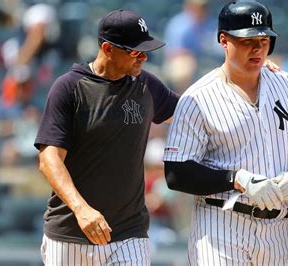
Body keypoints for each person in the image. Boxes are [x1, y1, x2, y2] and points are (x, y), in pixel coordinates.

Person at [163, 1, 288, 265]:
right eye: (247, 40)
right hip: (221, 225)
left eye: (264, 39)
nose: (258, 47)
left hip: (278, 229)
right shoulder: (198, 97)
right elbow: (177, 173)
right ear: (224, 40)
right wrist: (238, 179)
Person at [34, 9, 179, 265]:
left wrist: (248, 76)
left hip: (129, 233)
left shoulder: (145, 84)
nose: (144, 57)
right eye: (135, 51)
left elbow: (194, 110)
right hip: (70, 234)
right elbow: (49, 160)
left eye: (146, 50)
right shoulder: (69, 88)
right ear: (108, 49)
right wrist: (81, 209)